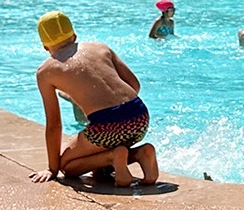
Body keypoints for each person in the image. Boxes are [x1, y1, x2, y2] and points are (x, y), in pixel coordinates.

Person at [30, 11, 157, 187]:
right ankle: (140, 153)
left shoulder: (45, 72)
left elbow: (54, 124)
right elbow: (134, 85)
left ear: (44, 46)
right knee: (100, 161)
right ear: (74, 35)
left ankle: (114, 156)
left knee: (67, 166)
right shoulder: (101, 47)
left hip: (107, 126)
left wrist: (52, 168)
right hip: (140, 116)